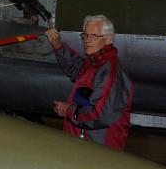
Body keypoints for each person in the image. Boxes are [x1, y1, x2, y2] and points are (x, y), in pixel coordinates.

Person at [45, 15, 133, 150]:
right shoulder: (95, 63)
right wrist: (58, 46)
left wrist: (68, 110)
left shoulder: (110, 73)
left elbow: (99, 115)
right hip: (85, 147)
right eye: (85, 36)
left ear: (108, 39)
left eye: (93, 36)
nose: (87, 41)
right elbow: (77, 69)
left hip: (98, 151)